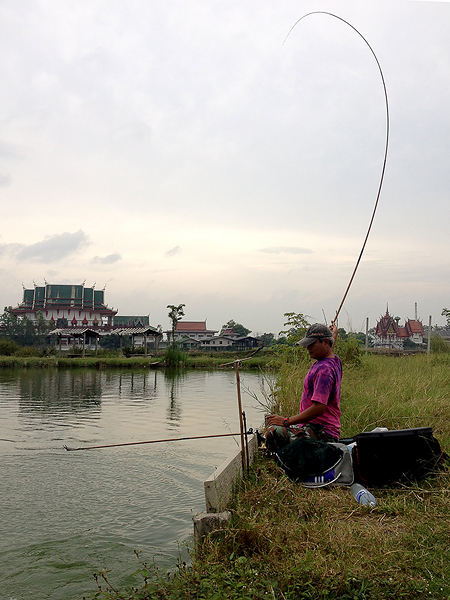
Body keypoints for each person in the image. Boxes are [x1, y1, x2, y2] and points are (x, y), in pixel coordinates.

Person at [265, 323, 342, 452]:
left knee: (274, 432)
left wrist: (286, 421)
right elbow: (329, 347)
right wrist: (334, 334)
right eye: (307, 344)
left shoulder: (324, 370)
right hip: (318, 427)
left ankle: (294, 467)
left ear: (325, 342)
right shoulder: (333, 360)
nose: (308, 348)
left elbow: (319, 408)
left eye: (312, 344)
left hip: (322, 432)